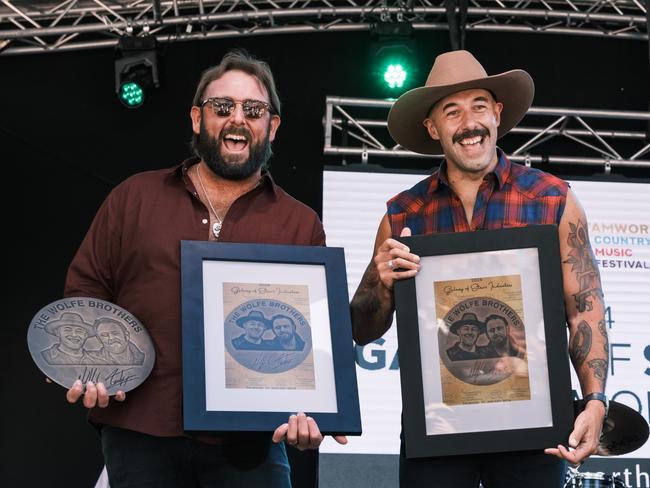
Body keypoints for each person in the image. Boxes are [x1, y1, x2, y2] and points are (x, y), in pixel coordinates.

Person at [63, 49, 346, 487]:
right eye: (222, 107)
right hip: (141, 427)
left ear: (271, 128)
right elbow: (86, 291)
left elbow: (313, 343)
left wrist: (314, 409)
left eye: (253, 110)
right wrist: (94, 364)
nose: (238, 119)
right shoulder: (133, 197)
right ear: (197, 118)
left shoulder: (300, 223)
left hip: (252, 443)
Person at [350, 50, 608, 488]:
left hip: (533, 428)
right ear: (433, 128)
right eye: (452, 112)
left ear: (497, 114)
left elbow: (585, 308)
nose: (468, 122)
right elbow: (362, 328)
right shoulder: (402, 215)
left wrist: (596, 402)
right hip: (436, 431)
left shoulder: (552, 200)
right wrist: (382, 280)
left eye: (479, 107)